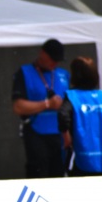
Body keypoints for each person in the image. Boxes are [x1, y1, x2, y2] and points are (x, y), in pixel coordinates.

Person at [12, 39, 71, 178]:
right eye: (52, 59)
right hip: (36, 132)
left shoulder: (63, 75)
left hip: (60, 133)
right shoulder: (24, 73)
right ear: (42, 54)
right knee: (38, 172)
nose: (55, 64)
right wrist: (47, 104)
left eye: (58, 61)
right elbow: (18, 106)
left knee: (59, 173)